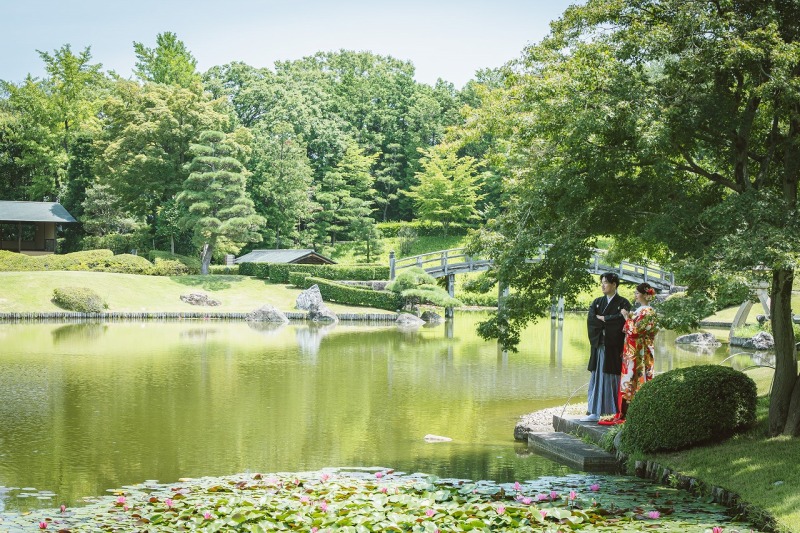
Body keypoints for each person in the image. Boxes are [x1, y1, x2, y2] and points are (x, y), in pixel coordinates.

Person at [599, 282, 659, 425]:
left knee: (634, 379)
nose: (635, 295)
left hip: (638, 353)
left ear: (645, 295)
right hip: (635, 351)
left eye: (637, 293)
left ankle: (632, 412)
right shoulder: (641, 311)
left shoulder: (647, 312)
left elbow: (635, 332)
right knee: (631, 379)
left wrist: (627, 317)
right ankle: (628, 411)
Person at [582, 273, 631, 422]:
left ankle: (617, 412)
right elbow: (591, 320)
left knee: (613, 378)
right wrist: (611, 320)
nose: (603, 285)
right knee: (597, 377)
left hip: (614, 348)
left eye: (606, 283)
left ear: (614, 284)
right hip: (600, 346)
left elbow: (622, 323)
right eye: (601, 283)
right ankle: (594, 412)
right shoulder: (597, 302)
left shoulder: (623, 302)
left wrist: (605, 319)